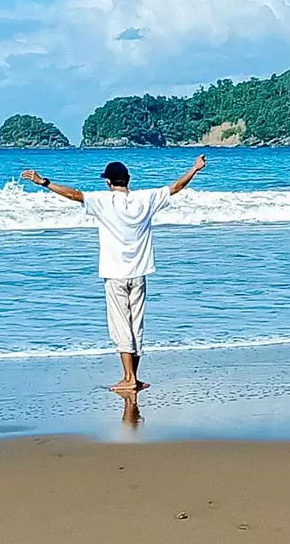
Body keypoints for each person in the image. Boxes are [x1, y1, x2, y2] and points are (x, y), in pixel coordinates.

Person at [21, 154, 206, 394]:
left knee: (121, 326)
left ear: (109, 182)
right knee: (136, 325)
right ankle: (134, 377)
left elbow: (74, 195)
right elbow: (176, 187)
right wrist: (194, 168)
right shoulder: (145, 198)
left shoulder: (104, 201)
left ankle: (129, 379)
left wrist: (44, 182)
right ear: (128, 180)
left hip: (116, 274)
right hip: (139, 273)